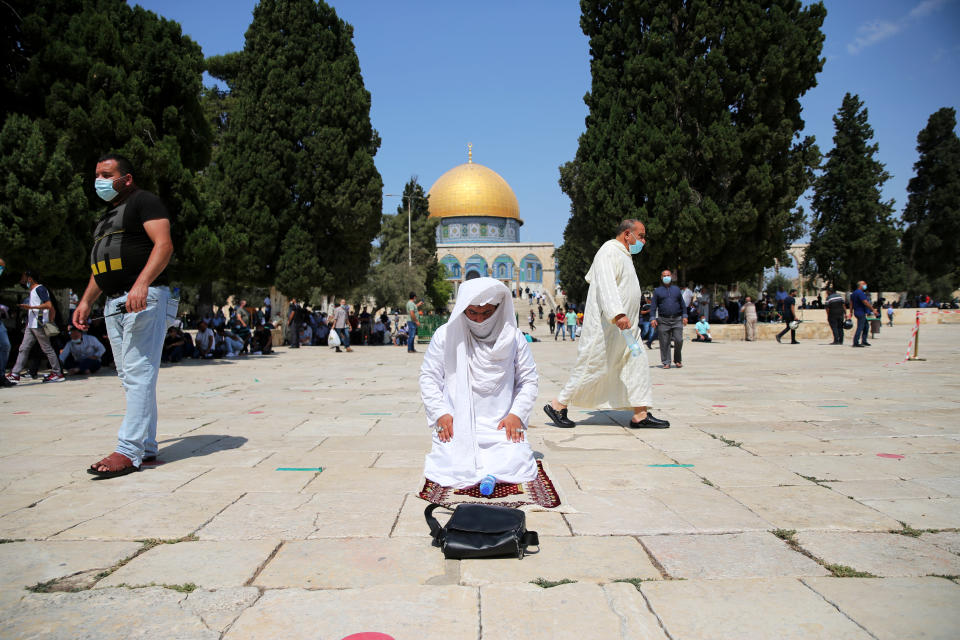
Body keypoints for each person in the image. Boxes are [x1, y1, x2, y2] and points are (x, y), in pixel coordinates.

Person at [74, 153, 173, 478]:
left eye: (106, 174)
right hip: (114, 302)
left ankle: (127, 450)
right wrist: (87, 301)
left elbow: (163, 245)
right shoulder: (106, 217)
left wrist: (142, 284)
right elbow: (102, 264)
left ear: (126, 178)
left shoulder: (144, 202)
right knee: (132, 376)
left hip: (142, 298)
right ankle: (145, 445)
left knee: (139, 370)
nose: (99, 181)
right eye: (97, 174)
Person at [543, 220, 669, 429]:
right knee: (592, 366)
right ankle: (557, 405)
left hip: (628, 331)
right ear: (628, 234)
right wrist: (618, 313)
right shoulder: (608, 251)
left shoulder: (623, 255)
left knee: (637, 363)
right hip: (608, 328)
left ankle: (640, 414)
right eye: (641, 236)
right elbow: (606, 285)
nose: (644, 241)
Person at [420, 277, 538, 488]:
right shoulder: (445, 336)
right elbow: (429, 377)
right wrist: (440, 413)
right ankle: (492, 475)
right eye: (472, 312)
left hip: (500, 426)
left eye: (487, 313)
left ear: (498, 309)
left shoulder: (513, 338)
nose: (479, 320)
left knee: (516, 457)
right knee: (448, 460)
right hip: (458, 423)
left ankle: (492, 475)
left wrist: (516, 414)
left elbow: (528, 380)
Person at [7, 270, 65, 384]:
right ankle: (15, 373)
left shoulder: (40, 288)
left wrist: (30, 307)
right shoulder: (34, 290)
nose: (22, 279)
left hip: (39, 324)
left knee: (47, 349)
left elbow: (48, 305)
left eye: (24, 277)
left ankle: (57, 373)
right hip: (32, 325)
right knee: (24, 348)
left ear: (30, 279)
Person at [650, 269, 687, 369]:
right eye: (664, 275)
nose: (666, 277)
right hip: (663, 320)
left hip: (677, 319)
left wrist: (685, 316)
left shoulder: (676, 290)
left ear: (671, 277)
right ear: (662, 278)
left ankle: (677, 360)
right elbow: (653, 306)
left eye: (668, 275)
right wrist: (653, 318)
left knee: (679, 340)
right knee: (664, 342)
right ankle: (666, 362)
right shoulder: (657, 291)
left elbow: (682, 304)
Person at [849, 280, 875, 347]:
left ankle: (864, 341)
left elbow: (851, 303)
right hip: (860, 312)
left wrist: (851, 312)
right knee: (860, 327)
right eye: (864, 284)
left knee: (866, 326)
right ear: (860, 285)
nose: (865, 285)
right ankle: (855, 342)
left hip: (857, 312)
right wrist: (873, 310)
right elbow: (865, 302)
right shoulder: (860, 293)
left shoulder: (853, 293)